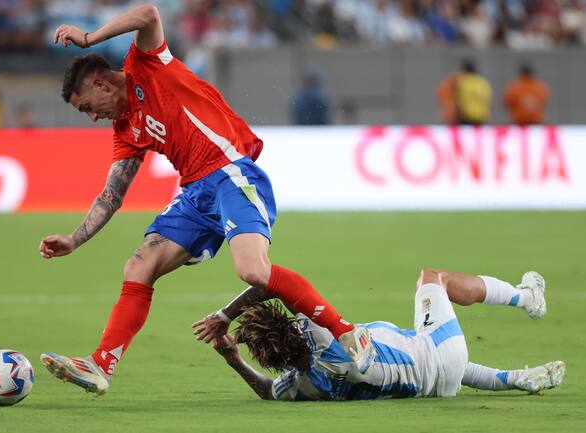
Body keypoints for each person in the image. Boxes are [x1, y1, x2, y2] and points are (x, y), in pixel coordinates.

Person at [38, 4, 373, 396]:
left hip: (232, 174)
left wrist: (90, 37)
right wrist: (74, 239)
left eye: (86, 108)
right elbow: (112, 195)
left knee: (253, 272)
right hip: (196, 194)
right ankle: (101, 365)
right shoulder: (126, 128)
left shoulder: (146, 65)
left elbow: (148, 13)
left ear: (99, 84)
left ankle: (348, 334)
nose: (92, 117)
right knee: (139, 264)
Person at [205, 269, 565, 400]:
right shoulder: (319, 333)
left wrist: (233, 360)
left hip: (435, 388)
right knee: (432, 278)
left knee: (438, 364)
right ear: (288, 324)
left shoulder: (299, 386)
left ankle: (516, 378)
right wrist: (227, 316)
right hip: (440, 352)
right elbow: (273, 283)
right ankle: (526, 297)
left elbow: (268, 391)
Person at [455, 59, 492, 125]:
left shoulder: (464, 82)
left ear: (464, 70)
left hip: (467, 117)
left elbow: (460, 100)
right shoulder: (482, 82)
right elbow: (488, 98)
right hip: (482, 117)